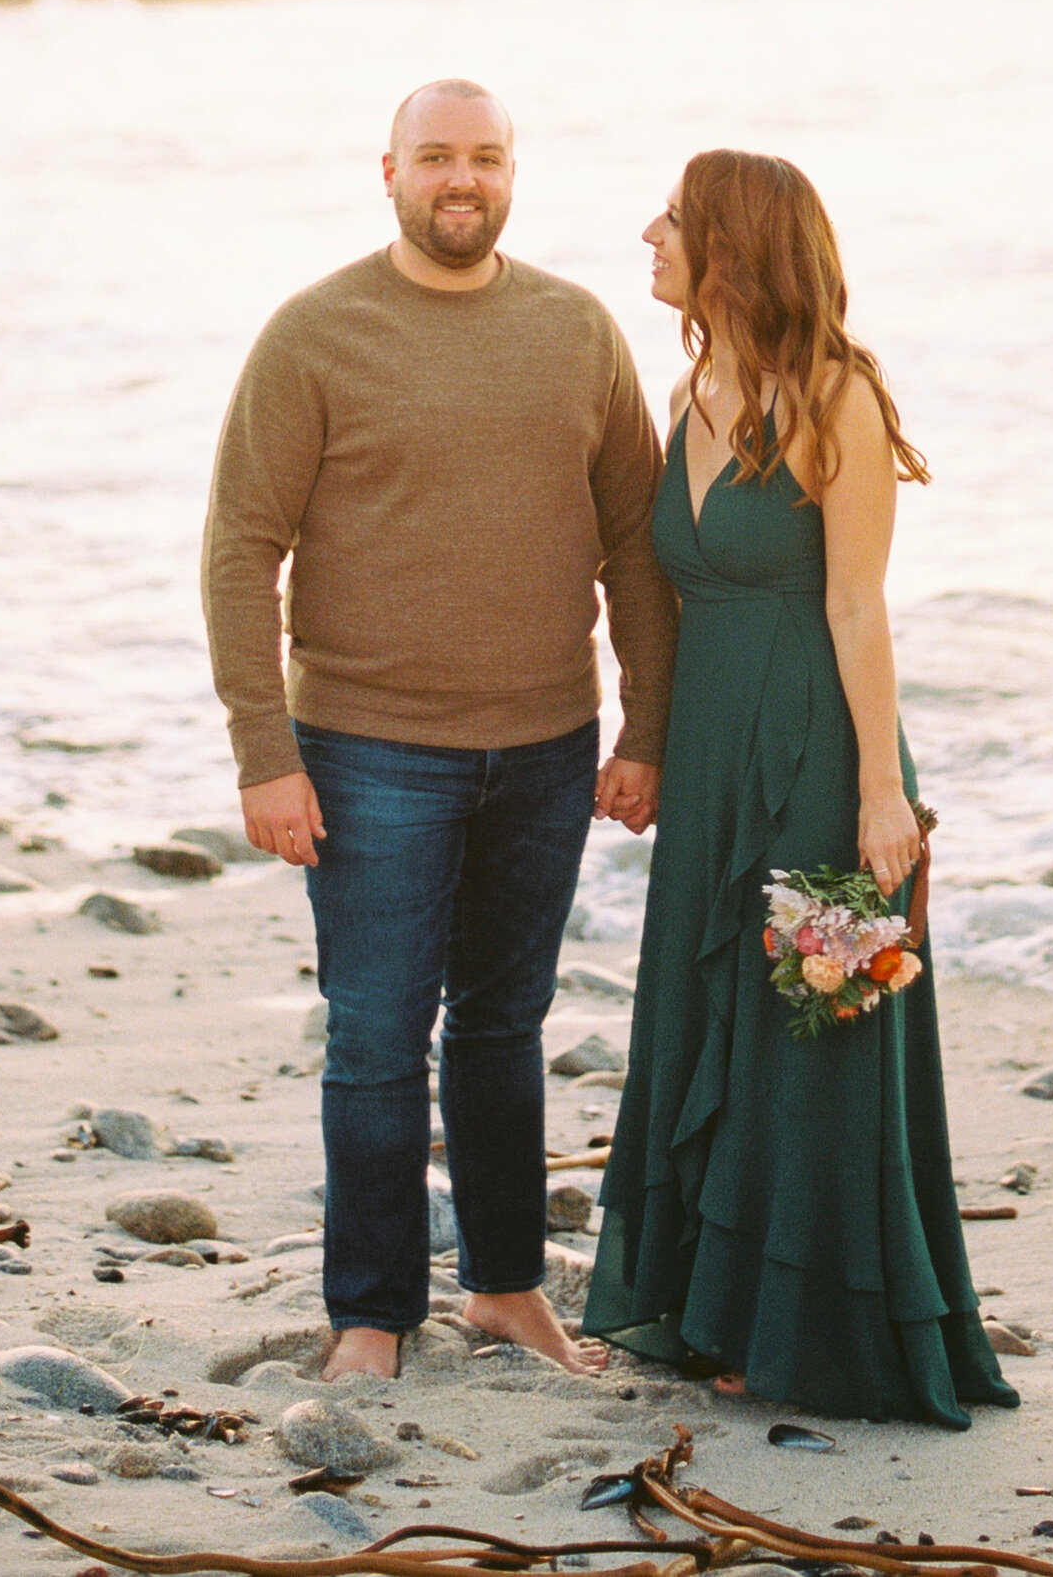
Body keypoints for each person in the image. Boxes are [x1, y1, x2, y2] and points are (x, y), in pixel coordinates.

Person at [200, 79, 676, 1383]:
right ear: (391, 171)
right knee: (374, 1037)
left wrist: (646, 725)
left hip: (547, 742)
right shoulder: (314, 333)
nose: (460, 178)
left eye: (485, 156)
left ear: (514, 170)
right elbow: (241, 548)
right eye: (436, 157)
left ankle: (508, 1289)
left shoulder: (578, 330)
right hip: (366, 745)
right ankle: (370, 1313)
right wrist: (264, 751)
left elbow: (637, 543)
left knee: (505, 1026)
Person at [582, 149, 1017, 1428]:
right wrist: (645, 739)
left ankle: (811, 1328)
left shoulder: (841, 397)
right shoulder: (691, 384)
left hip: (824, 761)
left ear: (733, 247)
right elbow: (660, 587)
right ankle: (712, 1306)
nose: (649, 231)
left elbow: (855, 605)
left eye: (675, 215)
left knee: (816, 1035)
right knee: (706, 1011)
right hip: (713, 762)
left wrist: (883, 794)